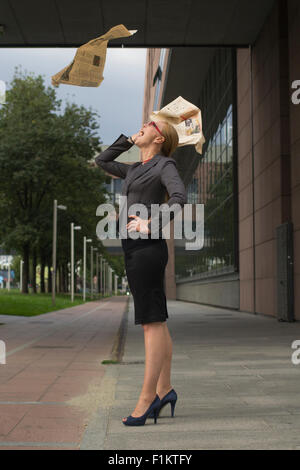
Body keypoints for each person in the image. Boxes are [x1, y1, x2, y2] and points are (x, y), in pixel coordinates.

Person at [95, 120, 187, 426]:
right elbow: (102, 161)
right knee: (156, 320)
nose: (143, 125)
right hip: (133, 249)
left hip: (148, 248)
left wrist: (152, 223)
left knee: (151, 322)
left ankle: (147, 399)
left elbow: (179, 198)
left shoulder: (165, 164)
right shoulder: (134, 168)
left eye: (150, 125)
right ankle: (165, 389)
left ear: (159, 138)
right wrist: (127, 140)